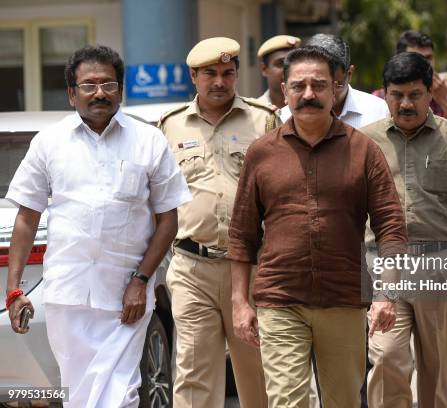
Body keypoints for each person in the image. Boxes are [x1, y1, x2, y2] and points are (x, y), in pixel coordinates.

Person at [5, 45, 191, 407]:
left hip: (126, 296)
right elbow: (27, 218)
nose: (100, 93)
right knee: (78, 393)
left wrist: (141, 280)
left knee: (121, 393)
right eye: (89, 85)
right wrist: (14, 292)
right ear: (72, 93)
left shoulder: (148, 141)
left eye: (108, 84)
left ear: (120, 89)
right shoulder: (49, 142)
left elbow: (169, 218)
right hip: (67, 294)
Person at [228, 45, 408, 408]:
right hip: (281, 300)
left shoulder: (364, 151)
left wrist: (387, 294)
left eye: (319, 85)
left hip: (342, 301)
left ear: (336, 88)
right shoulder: (262, 152)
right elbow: (243, 232)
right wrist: (239, 302)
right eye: (298, 86)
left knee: (343, 401)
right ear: (284, 91)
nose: (308, 94)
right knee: (286, 401)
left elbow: (390, 226)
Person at [159, 37, 279, 408]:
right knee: (193, 375)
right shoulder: (170, 126)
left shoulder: (263, 119)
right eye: (210, 73)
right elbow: (158, 200)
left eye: (228, 73)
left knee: (258, 371)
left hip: (253, 267)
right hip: (192, 268)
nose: (220, 82)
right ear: (193, 76)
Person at [361, 52, 447, 408]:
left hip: (441, 266)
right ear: (385, 94)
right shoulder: (362, 143)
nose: (405, 103)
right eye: (397, 94)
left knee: (438, 372)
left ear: (430, 93)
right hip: (383, 266)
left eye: (415, 94)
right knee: (387, 356)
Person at [280, 34, 389, 129]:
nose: (310, 95)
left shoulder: (378, 112)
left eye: (337, 85)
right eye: (319, 85)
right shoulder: (283, 118)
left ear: (349, 74)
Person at [373, 30, 447, 129]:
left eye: (429, 58)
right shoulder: (378, 99)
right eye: (417, 58)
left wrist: (445, 101)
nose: (426, 64)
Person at [257, 34, 301, 109]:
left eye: (295, 63)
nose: (289, 69)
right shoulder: (253, 113)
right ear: (264, 69)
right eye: (281, 63)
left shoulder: (310, 108)